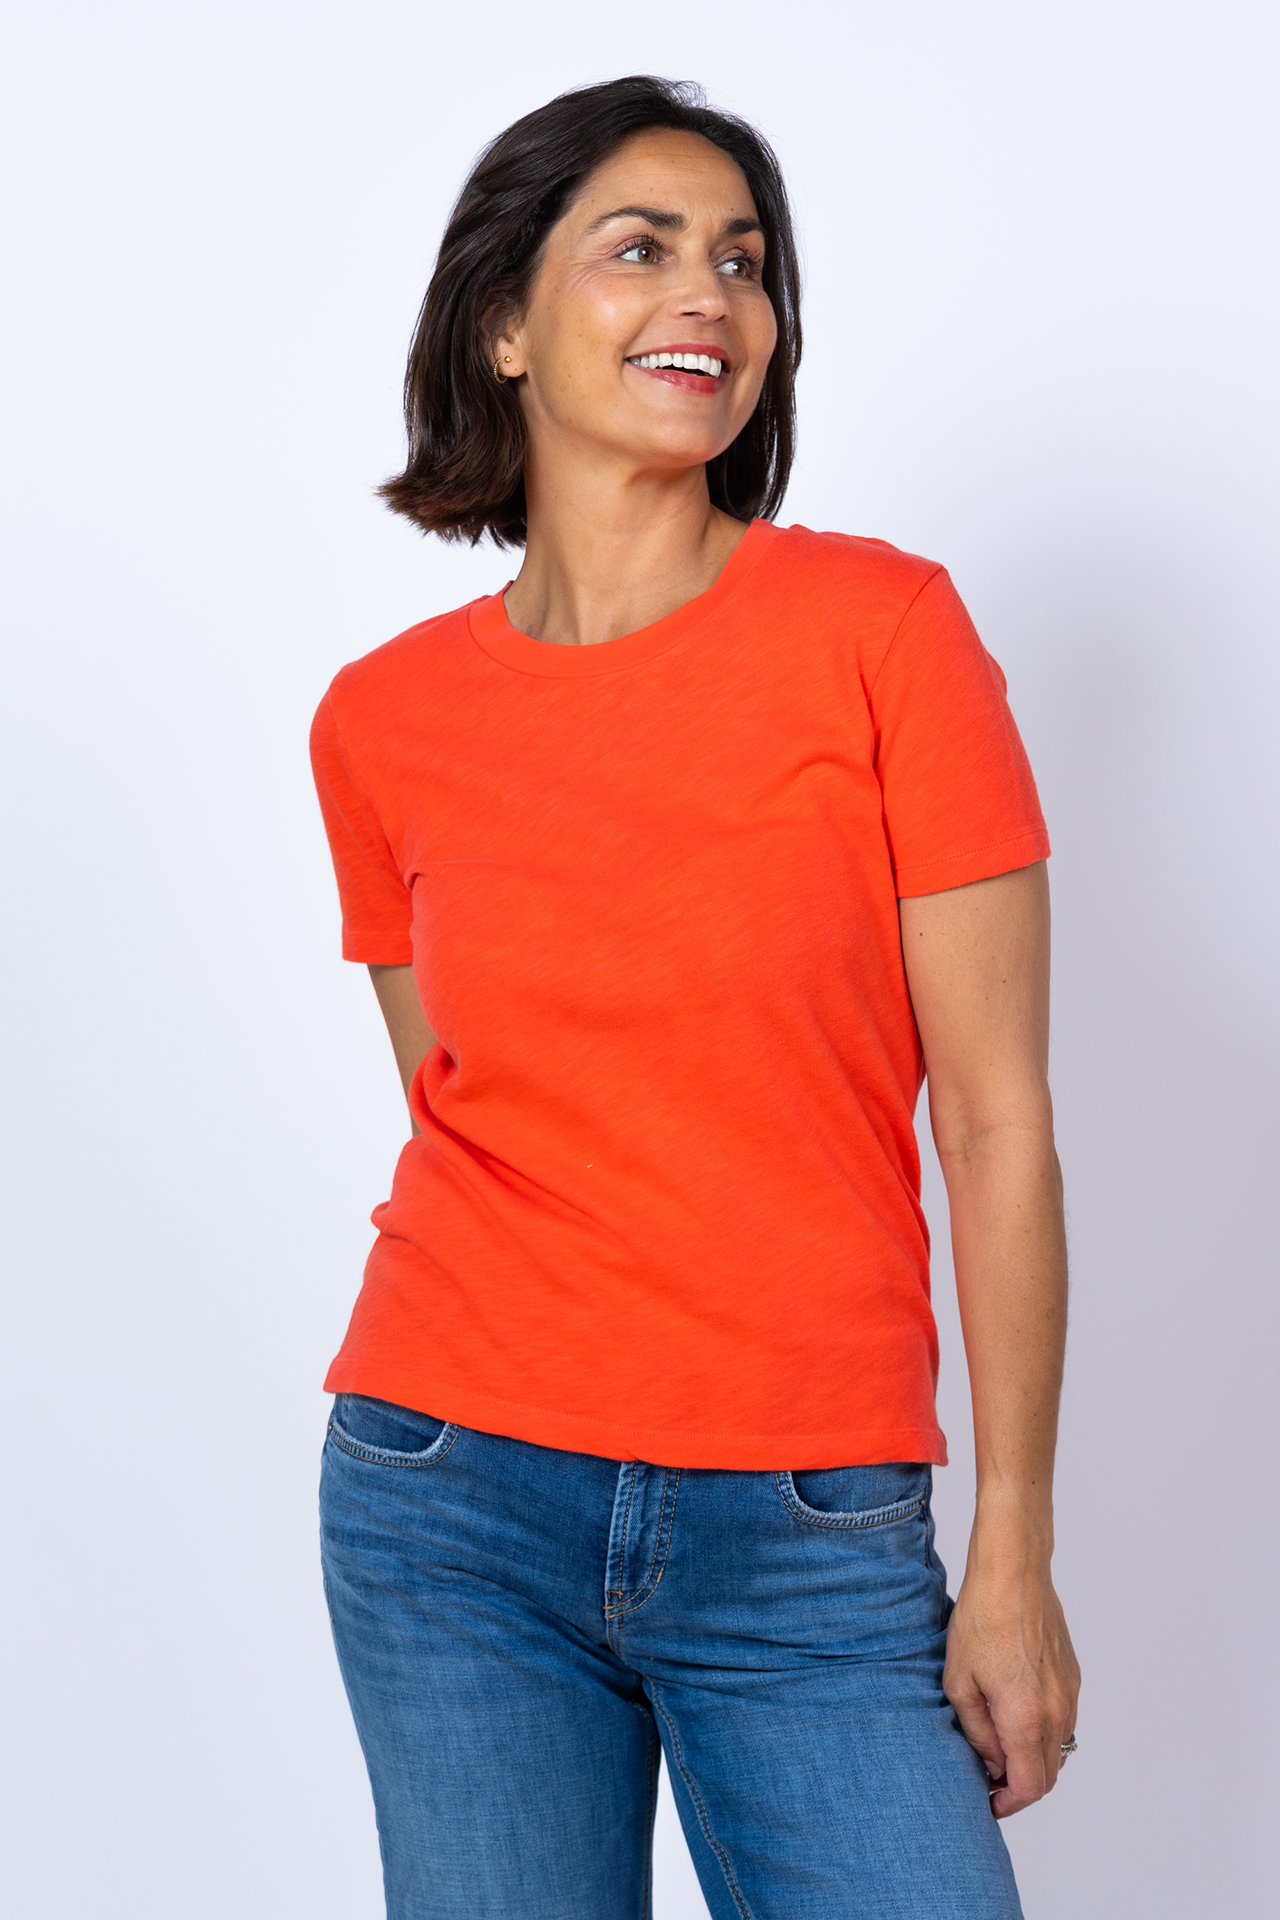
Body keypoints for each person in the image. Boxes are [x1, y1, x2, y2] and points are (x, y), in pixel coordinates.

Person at [311, 73, 1080, 1920]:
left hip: (808, 1523)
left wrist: (1013, 1548)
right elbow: (464, 1105)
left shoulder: (883, 635)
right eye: (640, 248)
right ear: (502, 324)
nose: (708, 298)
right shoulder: (381, 722)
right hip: (449, 1494)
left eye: (742, 262)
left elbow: (995, 1122)